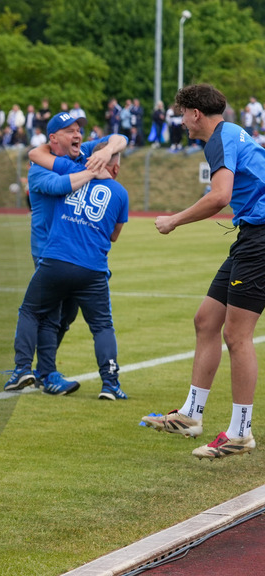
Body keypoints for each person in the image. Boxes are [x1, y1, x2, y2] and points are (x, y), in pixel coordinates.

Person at [144, 84, 265, 459]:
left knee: (237, 334)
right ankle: (191, 415)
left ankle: (240, 433)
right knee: (206, 320)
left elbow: (220, 196)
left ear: (196, 113)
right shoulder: (229, 133)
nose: (182, 122)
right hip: (251, 234)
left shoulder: (219, 139)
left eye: (183, 114)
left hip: (260, 238)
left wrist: (174, 221)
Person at [5, 111, 127, 393]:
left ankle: (39, 370)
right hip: (49, 250)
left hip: (71, 252)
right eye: (70, 130)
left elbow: (120, 139)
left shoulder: (82, 153)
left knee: (65, 317)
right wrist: (95, 171)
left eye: (79, 130)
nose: (78, 135)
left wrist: (107, 150)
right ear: (53, 138)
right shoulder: (40, 171)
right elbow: (58, 182)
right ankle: (40, 373)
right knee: (48, 315)